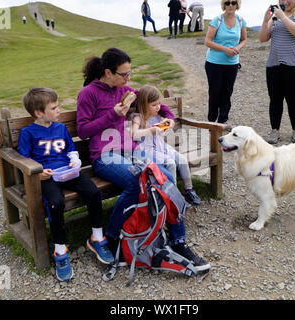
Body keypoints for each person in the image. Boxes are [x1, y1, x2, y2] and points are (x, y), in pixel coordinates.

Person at [77, 48, 210, 271]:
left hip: (130, 151)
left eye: (130, 74)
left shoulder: (125, 90)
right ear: (108, 72)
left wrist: (168, 117)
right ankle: (107, 237)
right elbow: (82, 131)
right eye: (124, 74)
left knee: (165, 177)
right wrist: (114, 114)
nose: (128, 79)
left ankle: (178, 241)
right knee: (138, 180)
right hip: (104, 154)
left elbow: (152, 99)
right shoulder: (88, 94)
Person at [18, 88, 114, 282]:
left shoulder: (60, 128)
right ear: (39, 113)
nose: (59, 110)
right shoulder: (27, 133)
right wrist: (38, 172)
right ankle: (60, 250)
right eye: (54, 108)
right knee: (56, 203)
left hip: (68, 171)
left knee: (93, 193)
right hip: (47, 177)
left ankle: (97, 237)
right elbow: (24, 159)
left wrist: (75, 161)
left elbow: (70, 149)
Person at [131, 85, 202, 206]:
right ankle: (173, 196)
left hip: (161, 146)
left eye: (159, 103)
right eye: (154, 105)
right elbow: (134, 135)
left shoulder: (158, 115)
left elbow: (168, 123)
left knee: (182, 160)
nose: (158, 107)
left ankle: (188, 190)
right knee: (170, 163)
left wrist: (167, 125)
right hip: (146, 150)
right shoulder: (138, 118)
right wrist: (151, 130)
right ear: (143, 104)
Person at [259, 0, 295, 144]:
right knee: (275, 100)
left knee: (293, 100)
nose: (284, 1)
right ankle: (274, 130)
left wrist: (283, 17)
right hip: (274, 64)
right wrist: (265, 21)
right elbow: (263, 38)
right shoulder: (275, 15)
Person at [204, 0, 247, 128]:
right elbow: (207, 41)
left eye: (233, 2)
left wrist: (237, 48)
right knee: (215, 91)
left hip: (232, 64)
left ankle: (223, 119)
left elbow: (244, 39)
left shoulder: (240, 20)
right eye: (227, 2)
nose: (230, 5)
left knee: (227, 91)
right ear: (224, 4)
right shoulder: (217, 20)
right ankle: (211, 121)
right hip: (214, 63)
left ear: (237, 5)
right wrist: (225, 50)